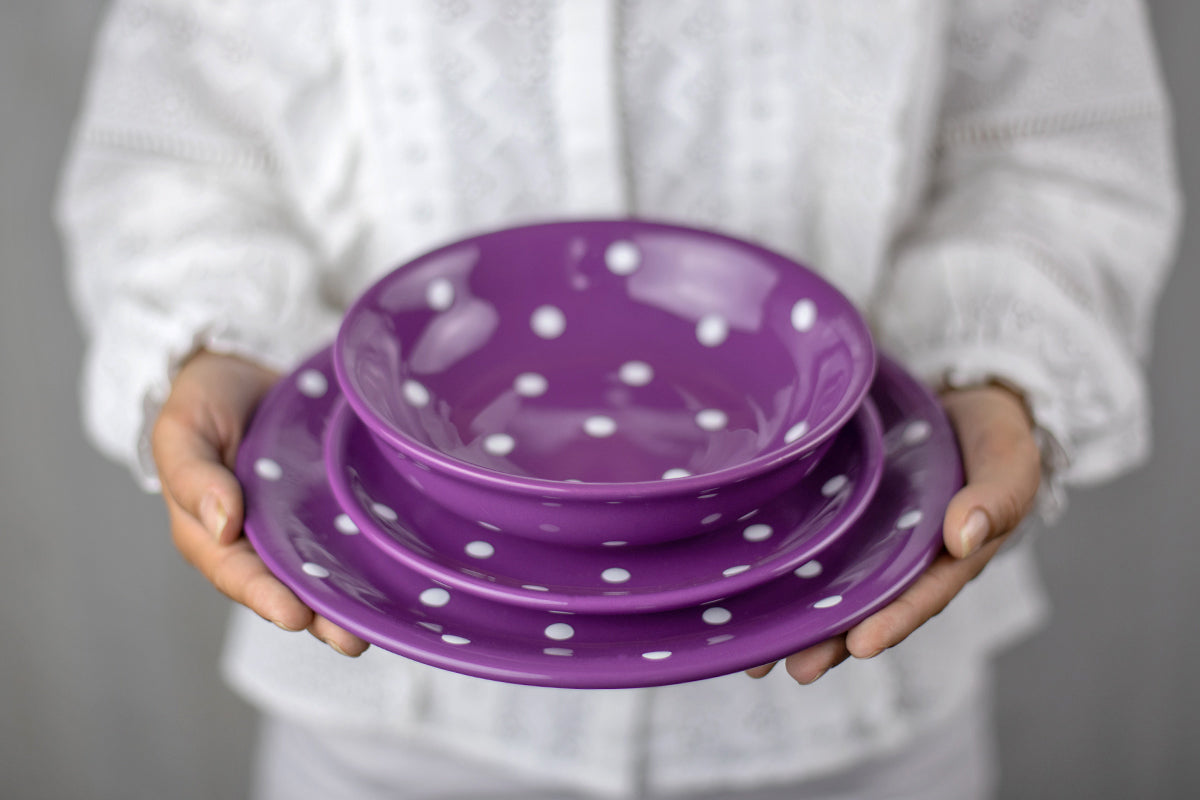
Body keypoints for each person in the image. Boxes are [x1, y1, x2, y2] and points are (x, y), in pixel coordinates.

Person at [57, 1, 1180, 798]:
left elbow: (1047, 145)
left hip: (854, 714)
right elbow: (184, 143)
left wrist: (992, 370)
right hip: (391, 708)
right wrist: (210, 336)